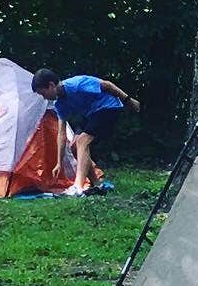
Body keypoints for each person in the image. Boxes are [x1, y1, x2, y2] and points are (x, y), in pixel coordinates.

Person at [31, 68, 140, 196]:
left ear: (51, 85)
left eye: (43, 93)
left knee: (82, 141)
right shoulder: (60, 104)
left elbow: (107, 84)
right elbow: (61, 134)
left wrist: (128, 100)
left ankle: (77, 187)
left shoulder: (77, 85)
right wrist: (59, 163)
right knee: (74, 147)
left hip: (108, 107)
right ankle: (98, 184)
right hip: (91, 114)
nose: (44, 98)